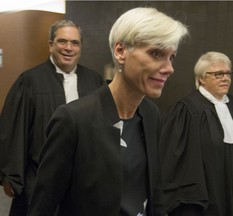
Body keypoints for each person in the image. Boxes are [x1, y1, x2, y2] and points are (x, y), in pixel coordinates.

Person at [27, 7, 188, 216]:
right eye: (156, 53)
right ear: (120, 51)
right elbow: (43, 206)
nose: (169, 68)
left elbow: (154, 191)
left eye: (171, 57)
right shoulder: (74, 119)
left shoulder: (150, 114)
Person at [0, 20, 103, 215]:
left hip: (83, 177)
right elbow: (14, 130)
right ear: (51, 44)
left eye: (75, 43)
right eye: (62, 41)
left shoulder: (94, 81)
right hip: (39, 175)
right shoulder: (29, 81)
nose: (68, 48)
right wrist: (11, 176)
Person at [160, 51, 233, 216]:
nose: (226, 78)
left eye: (228, 73)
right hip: (205, 191)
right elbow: (172, 154)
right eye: (218, 74)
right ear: (202, 78)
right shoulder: (187, 110)